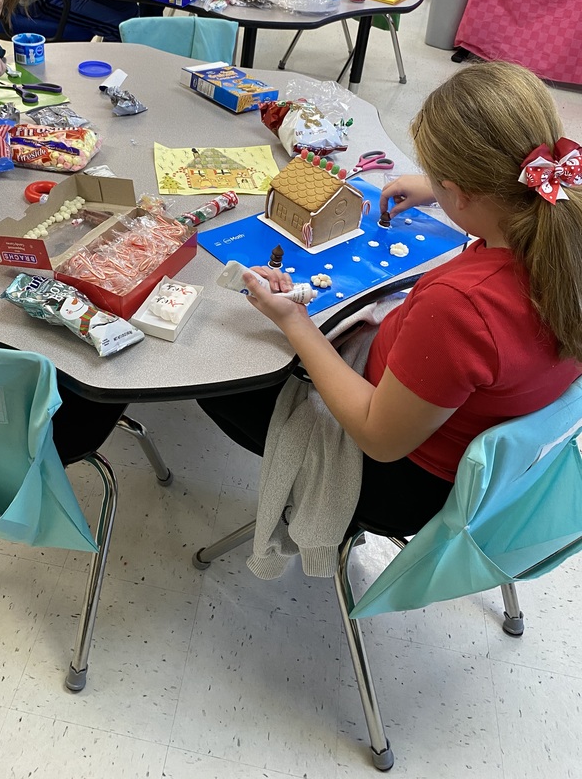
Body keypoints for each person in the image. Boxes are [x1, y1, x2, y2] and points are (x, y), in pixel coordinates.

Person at [198, 60, 582, 538]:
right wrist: (441, 192)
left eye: (439, 180)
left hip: (405, 481)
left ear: (462, 193)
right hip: (490, 458)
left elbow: (378, 438)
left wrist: (295, 320)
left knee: (214, 369)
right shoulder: (565, 218)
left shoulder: (462, 306)